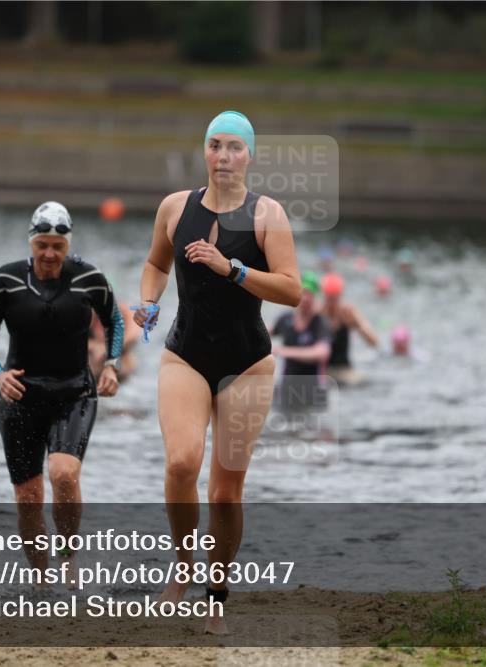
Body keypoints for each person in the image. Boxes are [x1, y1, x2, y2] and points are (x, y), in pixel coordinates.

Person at [132, 110, 301, 634]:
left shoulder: (266, 214)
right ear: (203, 151)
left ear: (249, 155)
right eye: (214, 146)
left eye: (233, 147)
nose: (223, 156)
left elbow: (293, 291)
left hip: (247, 363)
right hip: (185, 354)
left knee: (225, 492)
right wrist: (148, 301)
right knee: (183, 462)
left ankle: (216, 593)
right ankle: (183, 568)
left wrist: (233, 269)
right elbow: (157, 265)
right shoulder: (174, 208)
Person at [0, 201, 123, 575]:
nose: (50, 254)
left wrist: (112, 365)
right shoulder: (5, 280)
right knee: (28, 498)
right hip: (20, 396)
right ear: (31, 242)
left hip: (74, 394)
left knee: (64, 474)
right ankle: (41, 582)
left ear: (68, 244)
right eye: (42, 245)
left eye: (58, 246)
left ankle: (69, 560)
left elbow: (116, 322)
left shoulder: (90, 278)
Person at [269, 271, 333, 411]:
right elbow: (263, 335)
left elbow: (322, 354)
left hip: (313, 390)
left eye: (309, 294)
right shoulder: (285, 319)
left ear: (315, 296)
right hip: (287, 386)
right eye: (303, 293)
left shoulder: (321, 323)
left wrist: (284, 351)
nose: (305, 298)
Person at [320, 272, 379, 387]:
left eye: (334, 298)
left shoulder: (348, 312)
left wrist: (357, 324)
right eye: (328, 298)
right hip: (323, 371)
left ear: (340, 296)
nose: (331, 303)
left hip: (344, 370)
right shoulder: (318, 313)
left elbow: (374, 342)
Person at [89, 300, 140, 382]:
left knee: (127, 362)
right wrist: (94, 346)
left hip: (119, 354)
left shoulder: (125, 311)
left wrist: (106, 349)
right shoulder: (89, 313)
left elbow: (133, 336)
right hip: (95, 355)